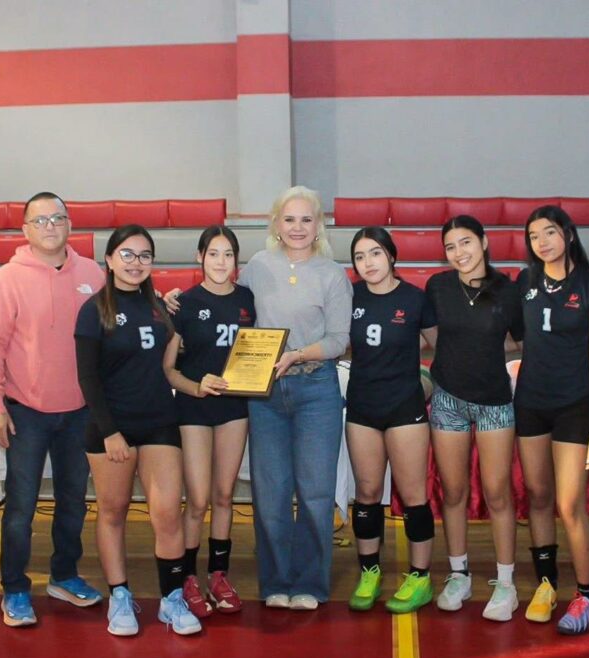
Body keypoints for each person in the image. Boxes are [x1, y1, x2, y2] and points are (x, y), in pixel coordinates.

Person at [172, 187, 350, 609]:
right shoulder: (257, 267)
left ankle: (310, 584)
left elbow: (339, 340)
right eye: (289, 219)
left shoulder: (332, 275)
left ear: (319, 226)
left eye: (306, 219)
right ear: (276, 224)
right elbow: (222, 301)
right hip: (264, 393)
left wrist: (297, 355)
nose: (297, 227)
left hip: (315, 388)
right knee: (270, 493)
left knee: (315, 492)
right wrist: (172, 302)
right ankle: (275, 583)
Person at [0, 191, 105, 627]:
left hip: (80, 412)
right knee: (21, 506)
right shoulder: (9, 277)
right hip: (26, 412)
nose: (50, 227)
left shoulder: (92, 273)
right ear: (25, 229)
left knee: (73, 501)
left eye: (57, 218)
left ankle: (64, 575)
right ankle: (15, 587)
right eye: (40, 220)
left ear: (70, 224)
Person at [75, 225, 201, 636]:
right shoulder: (93, 310)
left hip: (159, 422)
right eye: (127, 254)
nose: (136, 262)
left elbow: (168, 364)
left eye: (145, 255)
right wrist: (110, 432)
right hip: (112, 428)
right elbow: (88, 378)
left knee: (167, 513)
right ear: (110, 260)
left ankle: (171, 599)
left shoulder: (159, 308)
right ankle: (120, 596)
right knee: (113, 512)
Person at [515, 205, 589, 635]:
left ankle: (587, 596)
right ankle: (547, 584)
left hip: (575, 406)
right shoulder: (525, 283)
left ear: (568, 234)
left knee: (569, 504)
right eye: (534, 235)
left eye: (550, 232)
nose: (542, 242)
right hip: (531, 402)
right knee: (538, 496)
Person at [424, 215, 524, 619]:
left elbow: (519, 341)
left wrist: (486, 352)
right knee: (453, 491)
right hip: (448, 398)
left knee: (498, 492)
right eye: (450, 247)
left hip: (494, 401)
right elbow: (434, 339)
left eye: (465, 242)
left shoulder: (508, 291)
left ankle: (506, 583)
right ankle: (459, 574)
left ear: (483, 242)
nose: (458, 252)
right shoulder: (438, 286)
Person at [162, 226, 255, 619]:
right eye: (213, 253)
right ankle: (187, 577)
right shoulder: (183, 304)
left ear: (236, 259)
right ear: (200, 256)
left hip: (234, 407)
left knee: (223, 496)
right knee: (197, 499)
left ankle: (219, 575)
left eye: (228, 254)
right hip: (194, 408)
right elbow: (169, 369)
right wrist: (196, 387)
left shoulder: (248, 299)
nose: (221, 262)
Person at [344, 227, 438, 614]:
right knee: (367, 492)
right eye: (360, 256)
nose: (368, 262)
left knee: (413, 495)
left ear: (392, 256)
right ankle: (370, 571)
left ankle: (420, 577)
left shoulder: (415, 299)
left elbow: (440, 346)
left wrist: (428, 381)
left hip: (404, 408)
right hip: (363, 407)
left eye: (375, 253)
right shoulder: (349, 296)